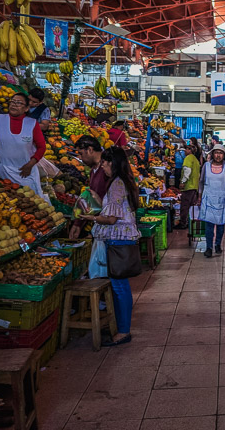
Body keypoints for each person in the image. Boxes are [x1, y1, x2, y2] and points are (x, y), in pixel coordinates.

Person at [79, 147, 140, 347]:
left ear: (112, 163)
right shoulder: (123, 182)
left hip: (118, 240)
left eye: (105, 162)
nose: (102, 165)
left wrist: (92, 218)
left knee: (119, 286)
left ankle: (123, 331)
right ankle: (122, 327)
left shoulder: (116, 184)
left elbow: (111, 218)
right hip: (121, 238)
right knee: (119, 286)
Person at [197, 144, 225, 258]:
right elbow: (201, 181)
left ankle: (218, 244)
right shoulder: (206, 166)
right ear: (212, 154)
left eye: (221, 153)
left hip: (222, 198)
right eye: (216, 153)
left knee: (220, 224)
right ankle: (208, 247)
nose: (218, 155)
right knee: (209, 224)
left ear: (224, 155)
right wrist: (199, 196)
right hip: (208, 197)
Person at [70, 136, 111, 238]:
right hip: (100, 226)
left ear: (90, 150)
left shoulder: (108, 169)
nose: (79, 158)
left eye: (81, 154)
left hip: (111, 229)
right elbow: (91, 201)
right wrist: (77, 224)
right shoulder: (93, 170)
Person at [176, 145, 201, 229]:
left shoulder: (188, 158)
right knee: (190, 206)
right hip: (194, 186)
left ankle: (183, 223)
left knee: (184, 206)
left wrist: (183, 182)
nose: (184, 151)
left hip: (189, 186)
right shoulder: (195, 159)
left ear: (189, 150)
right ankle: (189, 222)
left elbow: (187, 170)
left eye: (185, 150)